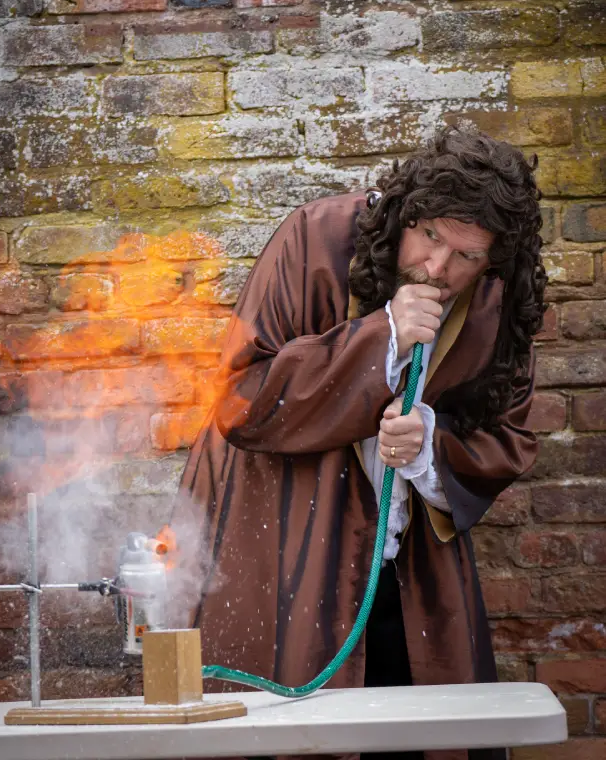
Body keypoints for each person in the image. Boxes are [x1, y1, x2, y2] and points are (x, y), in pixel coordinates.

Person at [173, 126, 547, 760]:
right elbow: (241, 398)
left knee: (424, 738)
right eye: (430, 238)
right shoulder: (313, 239)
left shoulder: (496, 294)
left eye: (466, 256)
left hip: (411, 582)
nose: (439, 268)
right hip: (290, 562)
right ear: (408, 210)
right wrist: (385, 338)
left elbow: (507, 435)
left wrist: (432, 446)